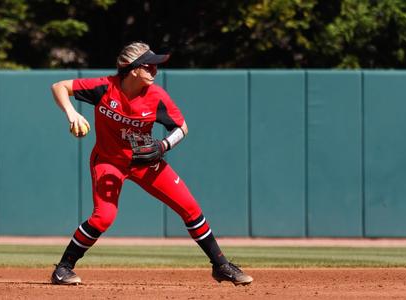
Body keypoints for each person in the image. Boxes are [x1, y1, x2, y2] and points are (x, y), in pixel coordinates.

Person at [50, 41, 253, 286]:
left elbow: (182, 127)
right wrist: (72, 113)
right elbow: (59, 86)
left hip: (145, 160)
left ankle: (221, 266)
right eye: (149, 66)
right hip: (108, 161)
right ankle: (63, 268)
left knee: (189, 207)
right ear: (132, 68)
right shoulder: (105, 88)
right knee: (104, 217)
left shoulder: (156, 96)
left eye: (155, 66)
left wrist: (162, 146)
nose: (155, 71)